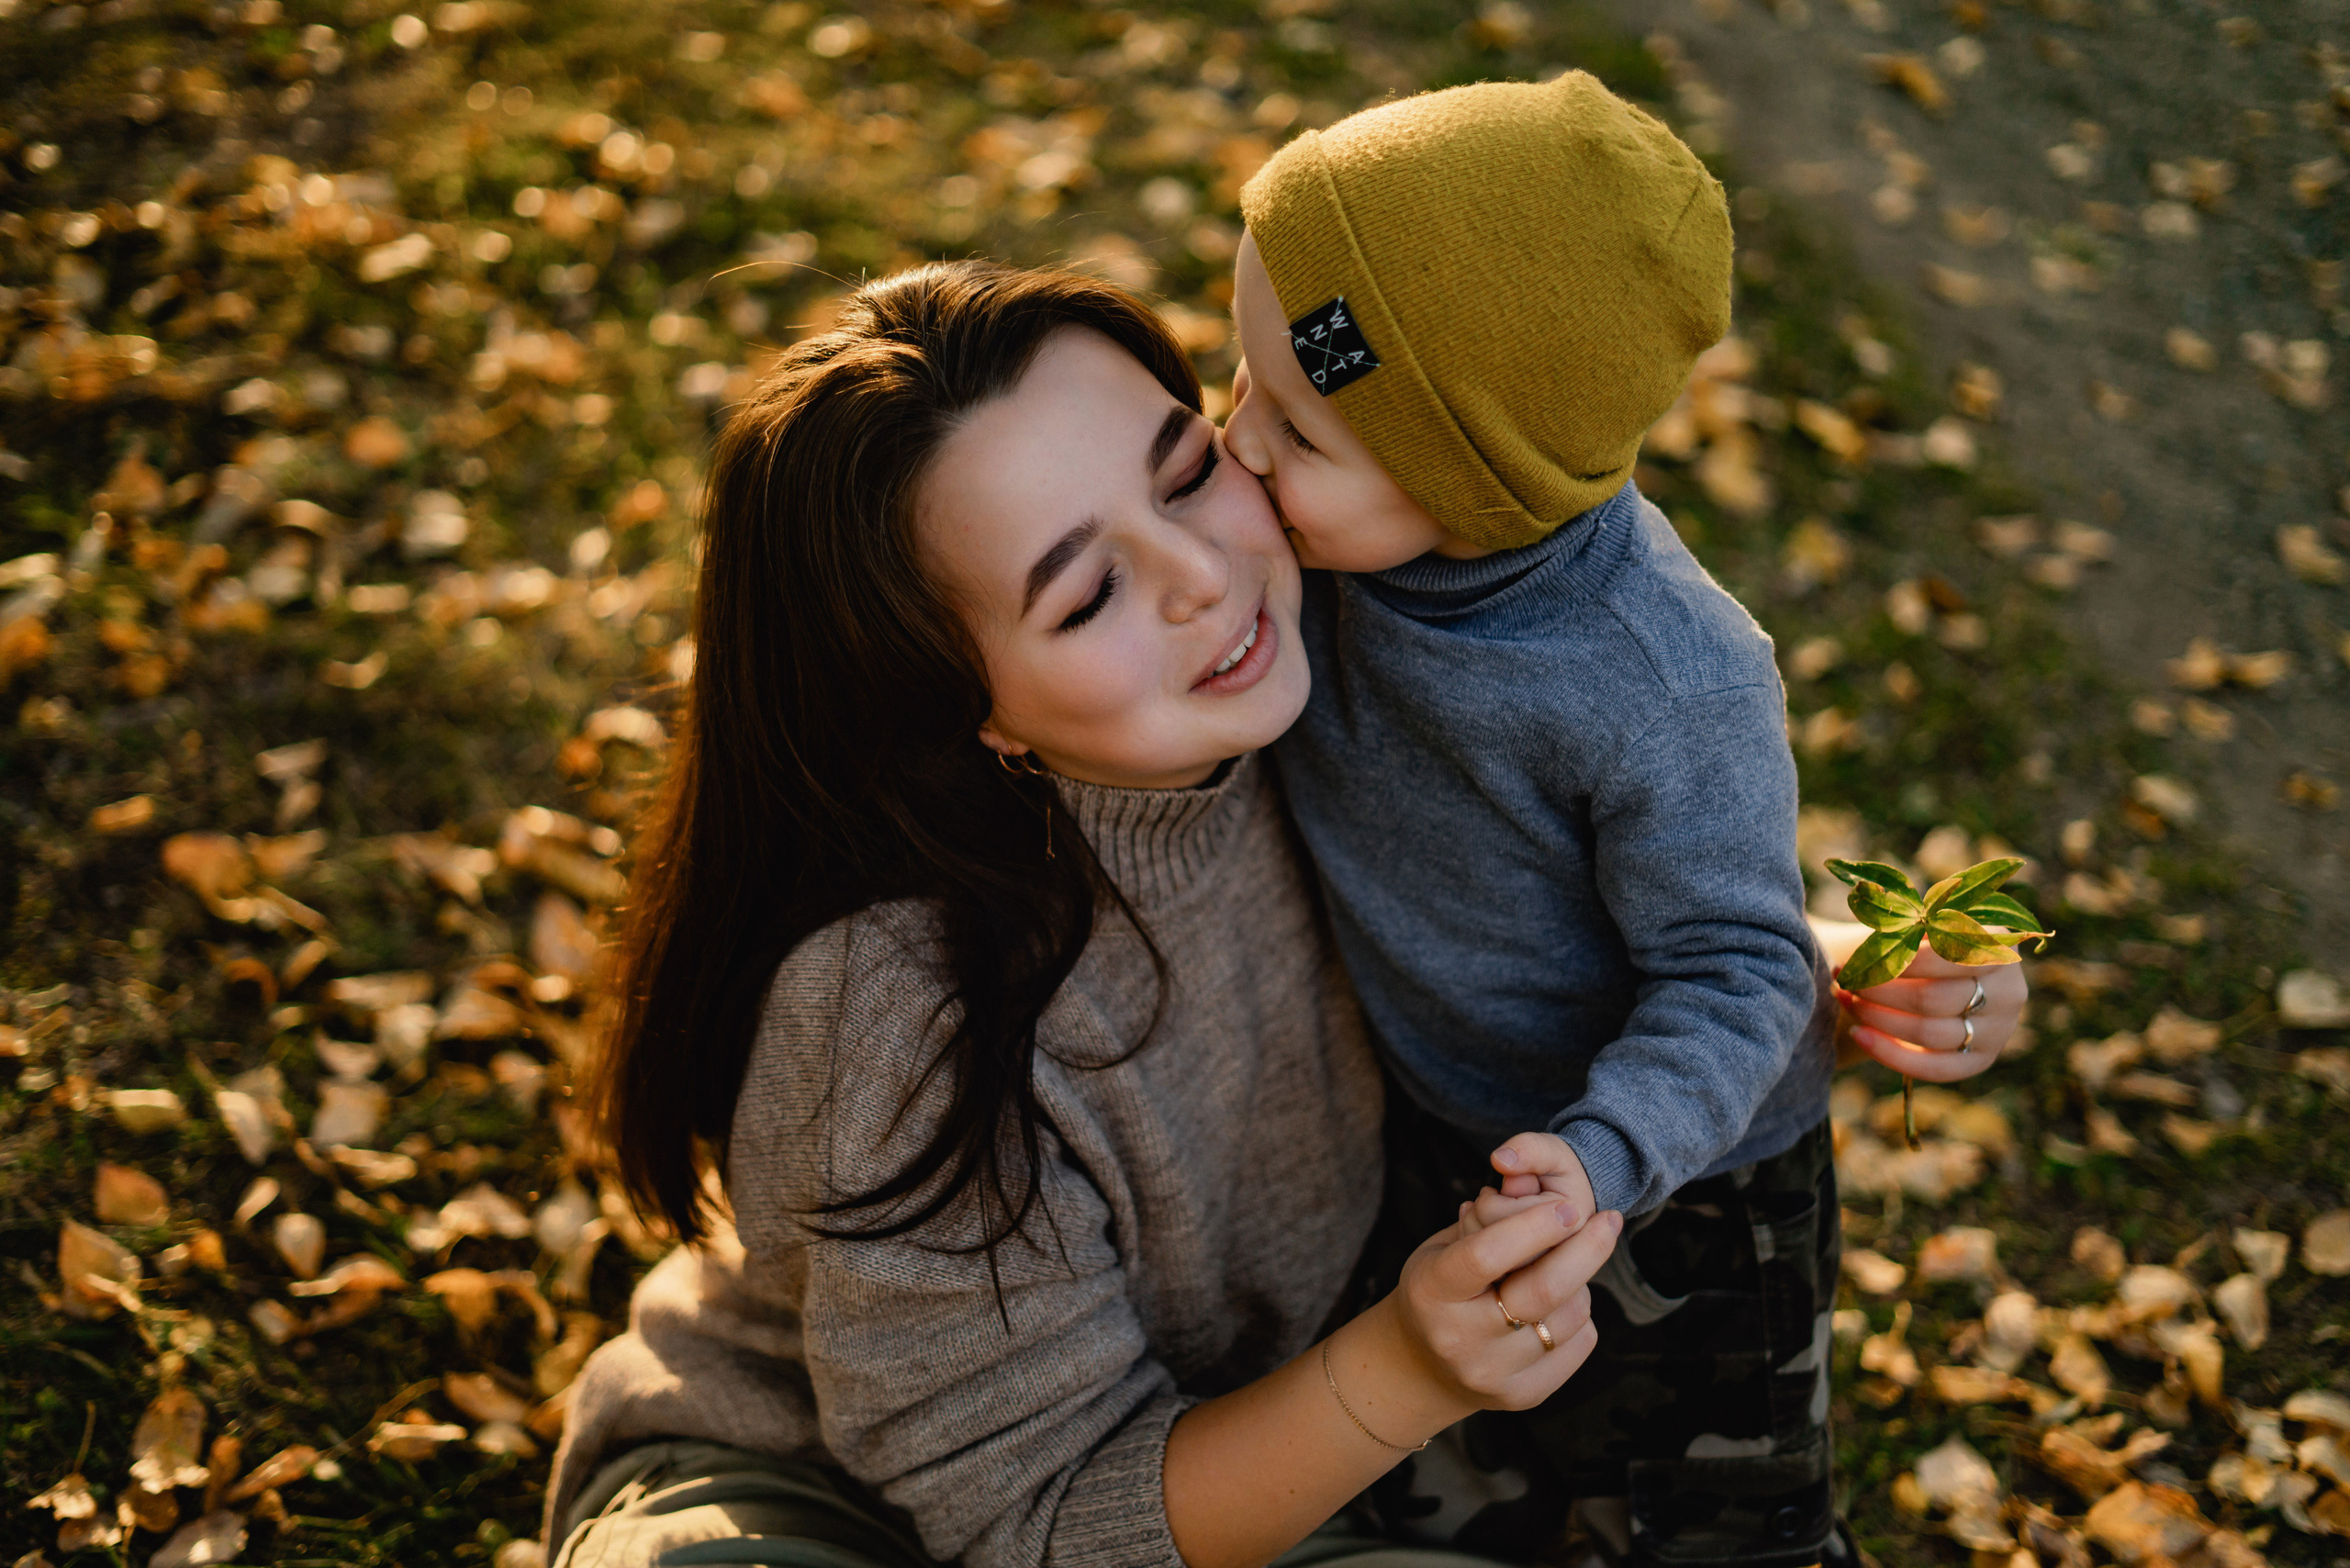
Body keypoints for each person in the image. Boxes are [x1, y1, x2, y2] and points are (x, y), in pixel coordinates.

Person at [544, 261, 2023, 1568]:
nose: (1204, 578)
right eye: (1085, 596)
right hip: (818, 1501)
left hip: (1271, 1451)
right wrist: (1406, 1372)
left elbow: (1514, 951)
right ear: (954, 704)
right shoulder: (892, 1015)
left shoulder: (1322, 677)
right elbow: (1043, 1523)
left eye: (1188, 470)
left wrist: (1829, 977)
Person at [1221, 73, 2029, 1565]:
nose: (1238, 442)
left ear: (1479, 475)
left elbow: (1742, 966)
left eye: (1297, 429)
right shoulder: (1324, 548)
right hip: (1447, 1117)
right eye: (1237, 378)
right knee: (1477, 1473)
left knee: (1706, 1522)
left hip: (1687, 1187)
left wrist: (1606, 1154)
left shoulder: (1659, 681)